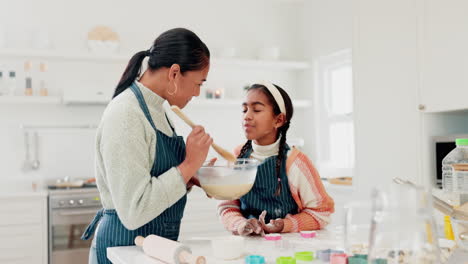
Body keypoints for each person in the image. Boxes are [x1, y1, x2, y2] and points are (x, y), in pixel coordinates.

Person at [81, 28, 212, 264]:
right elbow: (134, 210)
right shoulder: (126, 113)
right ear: (174, 73)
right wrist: (189, 164)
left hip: (152, 250)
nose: (197, 92)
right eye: (198, 83)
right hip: (122, 248)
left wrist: (194, 175)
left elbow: (157, 181)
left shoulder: (160, 111)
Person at [218, 81, 335, 236]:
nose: (247, 116)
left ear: (278, 120)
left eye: (257, 109)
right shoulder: (237, 156)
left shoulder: (296, 163)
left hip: (288, 247)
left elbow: (321, 214)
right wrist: (241, 224)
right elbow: (227, 206)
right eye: (244, 109)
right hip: (248, 245)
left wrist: (283, 225)